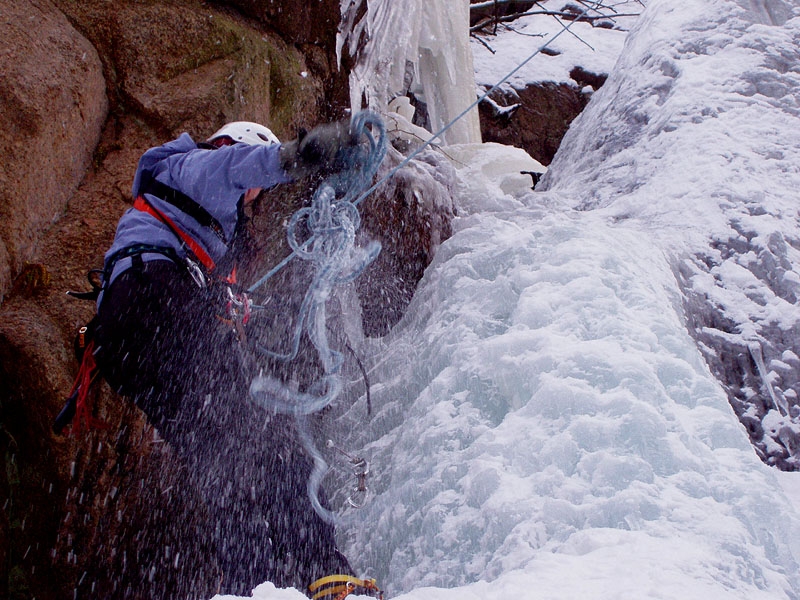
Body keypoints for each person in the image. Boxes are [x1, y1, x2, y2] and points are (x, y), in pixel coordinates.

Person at [91, 120, 362, 596]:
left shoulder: (186, 222)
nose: (252, 196)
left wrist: (226, 301)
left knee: (223, 466)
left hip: (127, 338)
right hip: (156, 301)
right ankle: (326, 573)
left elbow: (197, 283)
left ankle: (251, 587)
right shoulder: (191, 167)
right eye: (253, 191)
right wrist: (300, 155)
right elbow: (236, 167)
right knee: (273, 440)